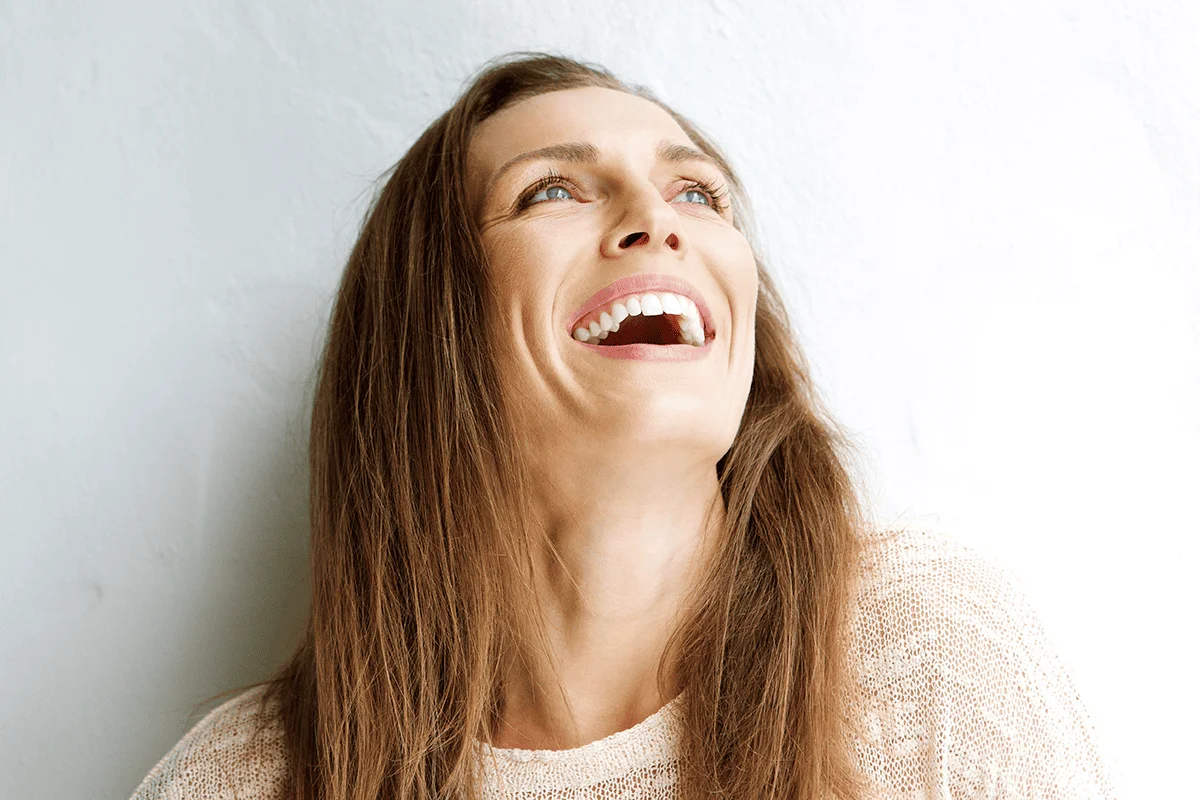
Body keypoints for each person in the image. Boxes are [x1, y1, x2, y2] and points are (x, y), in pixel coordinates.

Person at [128, 52, 1116, 799]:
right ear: (436, 329)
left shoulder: (924, 652)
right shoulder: (244, 778)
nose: (659, 217)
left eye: (699, 191)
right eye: (552, 189)